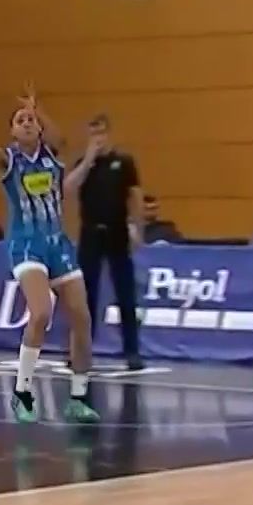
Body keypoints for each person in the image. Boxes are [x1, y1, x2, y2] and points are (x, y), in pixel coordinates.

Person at [0, 88, 98, 424]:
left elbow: (61, 138)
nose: (26, 123)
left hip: (58, 243)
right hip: (26, 244)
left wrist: (39, 111)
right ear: (12, 131)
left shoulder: (51, 155)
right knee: (40, 314)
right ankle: (22, 391)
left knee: (82, 318)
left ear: (39, 128)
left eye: (30, 120)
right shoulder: (7, 159)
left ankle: (78, 396)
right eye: (20, 120)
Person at [73, 114, 145, 373]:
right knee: (86, 296)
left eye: (101, 133)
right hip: (90, 234)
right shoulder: (83, 164)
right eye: (93, 134)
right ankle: (82, 351)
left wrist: (137, 226)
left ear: (109, 134)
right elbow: (69, 187)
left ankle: (132, 351)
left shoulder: (123, 163)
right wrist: (88, 160)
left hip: (117, 231)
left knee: (125, 294)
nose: (98, 139)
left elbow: (135, 195)